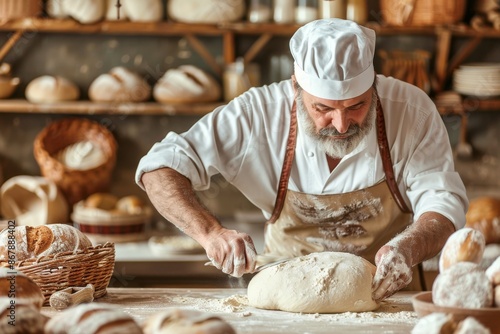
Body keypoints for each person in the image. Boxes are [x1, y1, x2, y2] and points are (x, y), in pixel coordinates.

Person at [136, 18, 468, 302]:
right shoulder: (257, 115)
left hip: (391, 298)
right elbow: (160, 166)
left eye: (356, 106)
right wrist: (210, 232)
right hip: (287, 298)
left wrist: (407, 249)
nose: (341, 125)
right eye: (323, 109)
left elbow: (443, 202)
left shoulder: (412, 110)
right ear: (296, 88)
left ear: (375, 88)